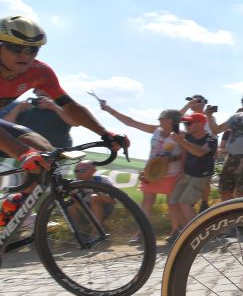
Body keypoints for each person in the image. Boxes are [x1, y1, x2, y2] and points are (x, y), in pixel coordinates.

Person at [0, 15, 128, 180]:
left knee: (47, 153)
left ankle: (17, 200)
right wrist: (22, 153)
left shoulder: (40, 73)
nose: (25, 56)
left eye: (32, 49)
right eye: (16, 48)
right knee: (27, 153)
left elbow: (70, 107)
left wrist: (104, 133)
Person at [101, 103, 183, 229]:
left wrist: (172, 158)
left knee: (172, 204)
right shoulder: (156, 129)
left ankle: (175, 231)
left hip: (172, 174)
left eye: (162, 118)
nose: (159, 120)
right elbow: (130, 122)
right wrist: (109, 109)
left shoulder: (181, 135)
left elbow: (186, 155)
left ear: (171, 120)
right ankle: (142, 232)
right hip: (151, 172)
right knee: (147, 202)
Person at [166, 113, 219, 242]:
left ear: (201, 124)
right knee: (173, 201)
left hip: (201, 175)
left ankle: (200, 233)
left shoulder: (211, 138)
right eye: (185, 123)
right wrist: (182, 169)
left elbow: (200, 152)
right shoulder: (187, 136)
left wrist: (181, 141)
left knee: (184, 203)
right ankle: (185, 231)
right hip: (188, 173)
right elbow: (185, 151)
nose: (186, 125)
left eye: (189, 123)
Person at [1, 93, 73, 149]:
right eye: (38, 89)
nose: (41, 91)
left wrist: (53, 106)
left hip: (57, 154)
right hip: (24, 152)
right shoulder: (24, 106)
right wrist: (18, 108)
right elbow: (5, 126)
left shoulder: (62, 107)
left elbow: (75, 122)